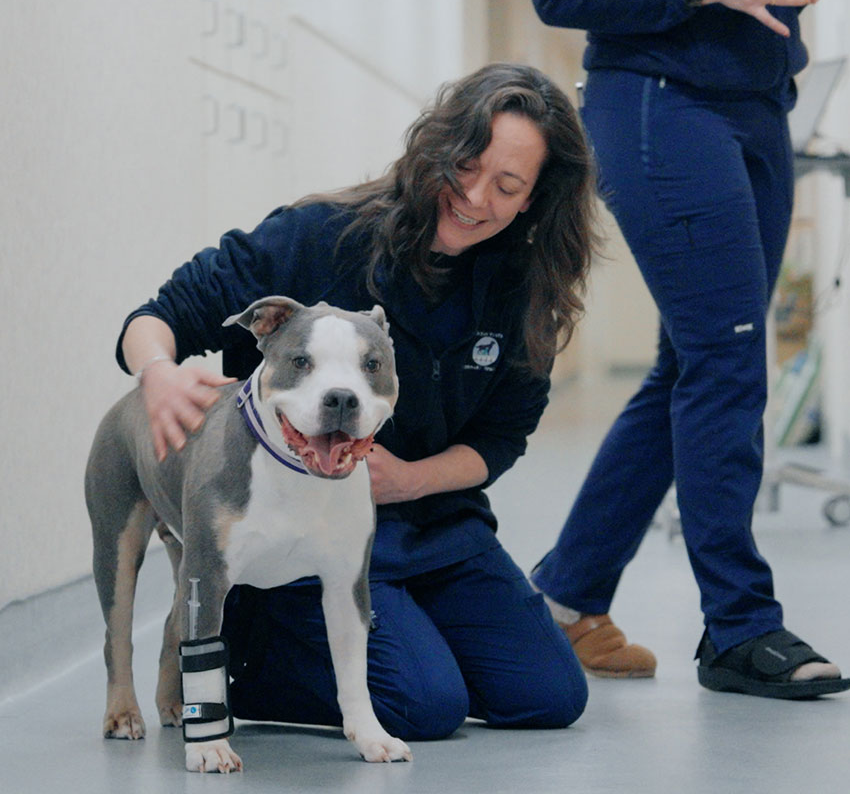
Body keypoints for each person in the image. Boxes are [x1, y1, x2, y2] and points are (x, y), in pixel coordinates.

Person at [118, 63, 596, 739]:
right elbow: (162, 312)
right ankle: (252, 664)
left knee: (549, 696)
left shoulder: (523, 288)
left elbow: (502, 439)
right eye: (464, 165)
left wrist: (408, 480)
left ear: (534, 201)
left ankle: (411, 642)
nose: (474, 196)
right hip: (301, 533)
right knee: (423, 706)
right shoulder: (318, 236)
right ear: (436, 148)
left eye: (508, 186)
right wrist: (159, 375)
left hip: (433, 525)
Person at [528, 0, 850, 699]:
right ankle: (739, 626)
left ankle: (566, 593)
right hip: (661, 98)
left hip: (762, 102)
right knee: (725, 362)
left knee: (694, 361)